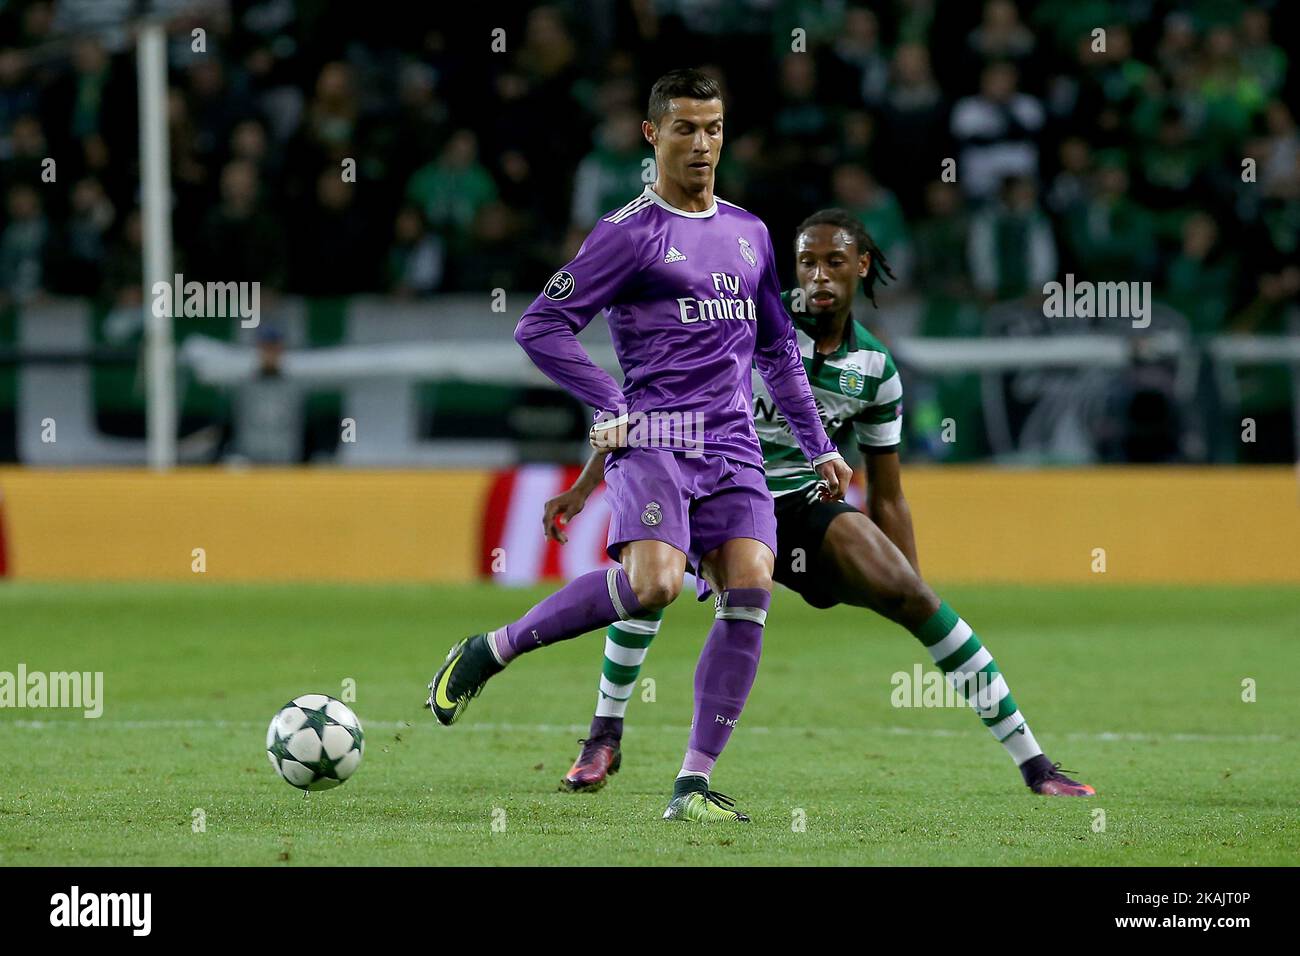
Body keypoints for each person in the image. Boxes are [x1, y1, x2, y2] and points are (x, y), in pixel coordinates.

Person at [545, 209, 1095, 799]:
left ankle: (1035, 765)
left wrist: (906, 584)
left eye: (834, 262)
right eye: (807, 262)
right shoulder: (744, 318)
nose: (819, 276)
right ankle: (605, 734)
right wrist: (586, 484)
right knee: (652, 582)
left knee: (921, 600)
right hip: (711, 489)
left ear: (861, 267)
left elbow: (888, 493)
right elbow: (652, 405)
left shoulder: (876, 370)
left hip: (799, 512)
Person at [426, 69, 851, 824]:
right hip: (655, 440)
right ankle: (494, 648)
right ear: (652, 135)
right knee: (653, 586)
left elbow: (778, 352)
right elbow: (539, 326)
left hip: (734, 447)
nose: (702, 143)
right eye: (685, 128)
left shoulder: (750, 232)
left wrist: (817, 444)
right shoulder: (627, 234)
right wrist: (610, 403)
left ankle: (691, 784)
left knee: (751, 583)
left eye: (714, 128)